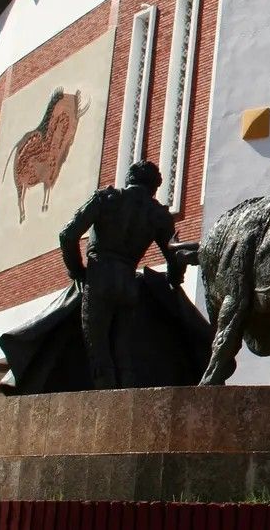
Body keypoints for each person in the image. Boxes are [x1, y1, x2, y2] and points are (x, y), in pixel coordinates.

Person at [58, 160, 191, 389]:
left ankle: (106, 405)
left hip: (99, 276)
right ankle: (126, 399)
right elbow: (175, 257)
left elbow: (67, 235)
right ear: (154, 188)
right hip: (128, 283)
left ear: (129, 179)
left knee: (98, 346)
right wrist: (174, 281)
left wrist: (77, 270)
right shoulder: (158, 215)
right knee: (123, 350)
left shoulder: (105, 199)